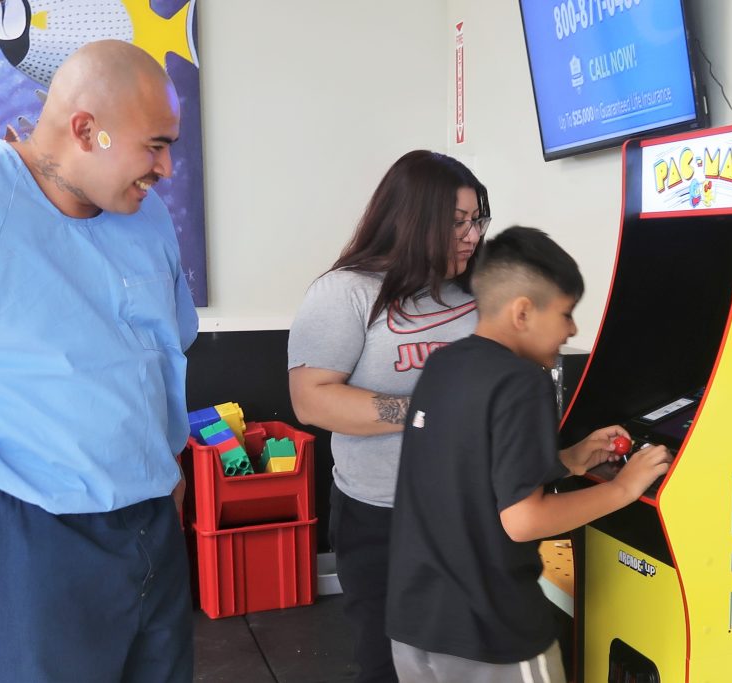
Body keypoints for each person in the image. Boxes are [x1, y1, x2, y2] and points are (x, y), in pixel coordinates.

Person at [0, 40, 197, 682]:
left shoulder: (146, 214)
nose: (167, 169)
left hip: (147, 518)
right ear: (85, 130)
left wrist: (167, 468)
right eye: (154, 145)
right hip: (20, 534)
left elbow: (162, 347)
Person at [386, 226, 673, 683]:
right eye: (566, 313)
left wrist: (570, 459)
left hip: (415, 622)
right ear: (523, 312)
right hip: (490, 631)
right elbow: (523, 520)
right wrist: (624, 487)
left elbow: (468, 472)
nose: (573, 329)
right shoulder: (522, 381)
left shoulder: (446, 364)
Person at [286, 150, 491, 682]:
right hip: (385, 518)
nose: (472, 235)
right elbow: (312, 399)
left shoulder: (476, 291)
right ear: (414, 217)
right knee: (393, 666)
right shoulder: (346, 293)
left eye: (477, 219)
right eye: (458, 222)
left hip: (473, 512)